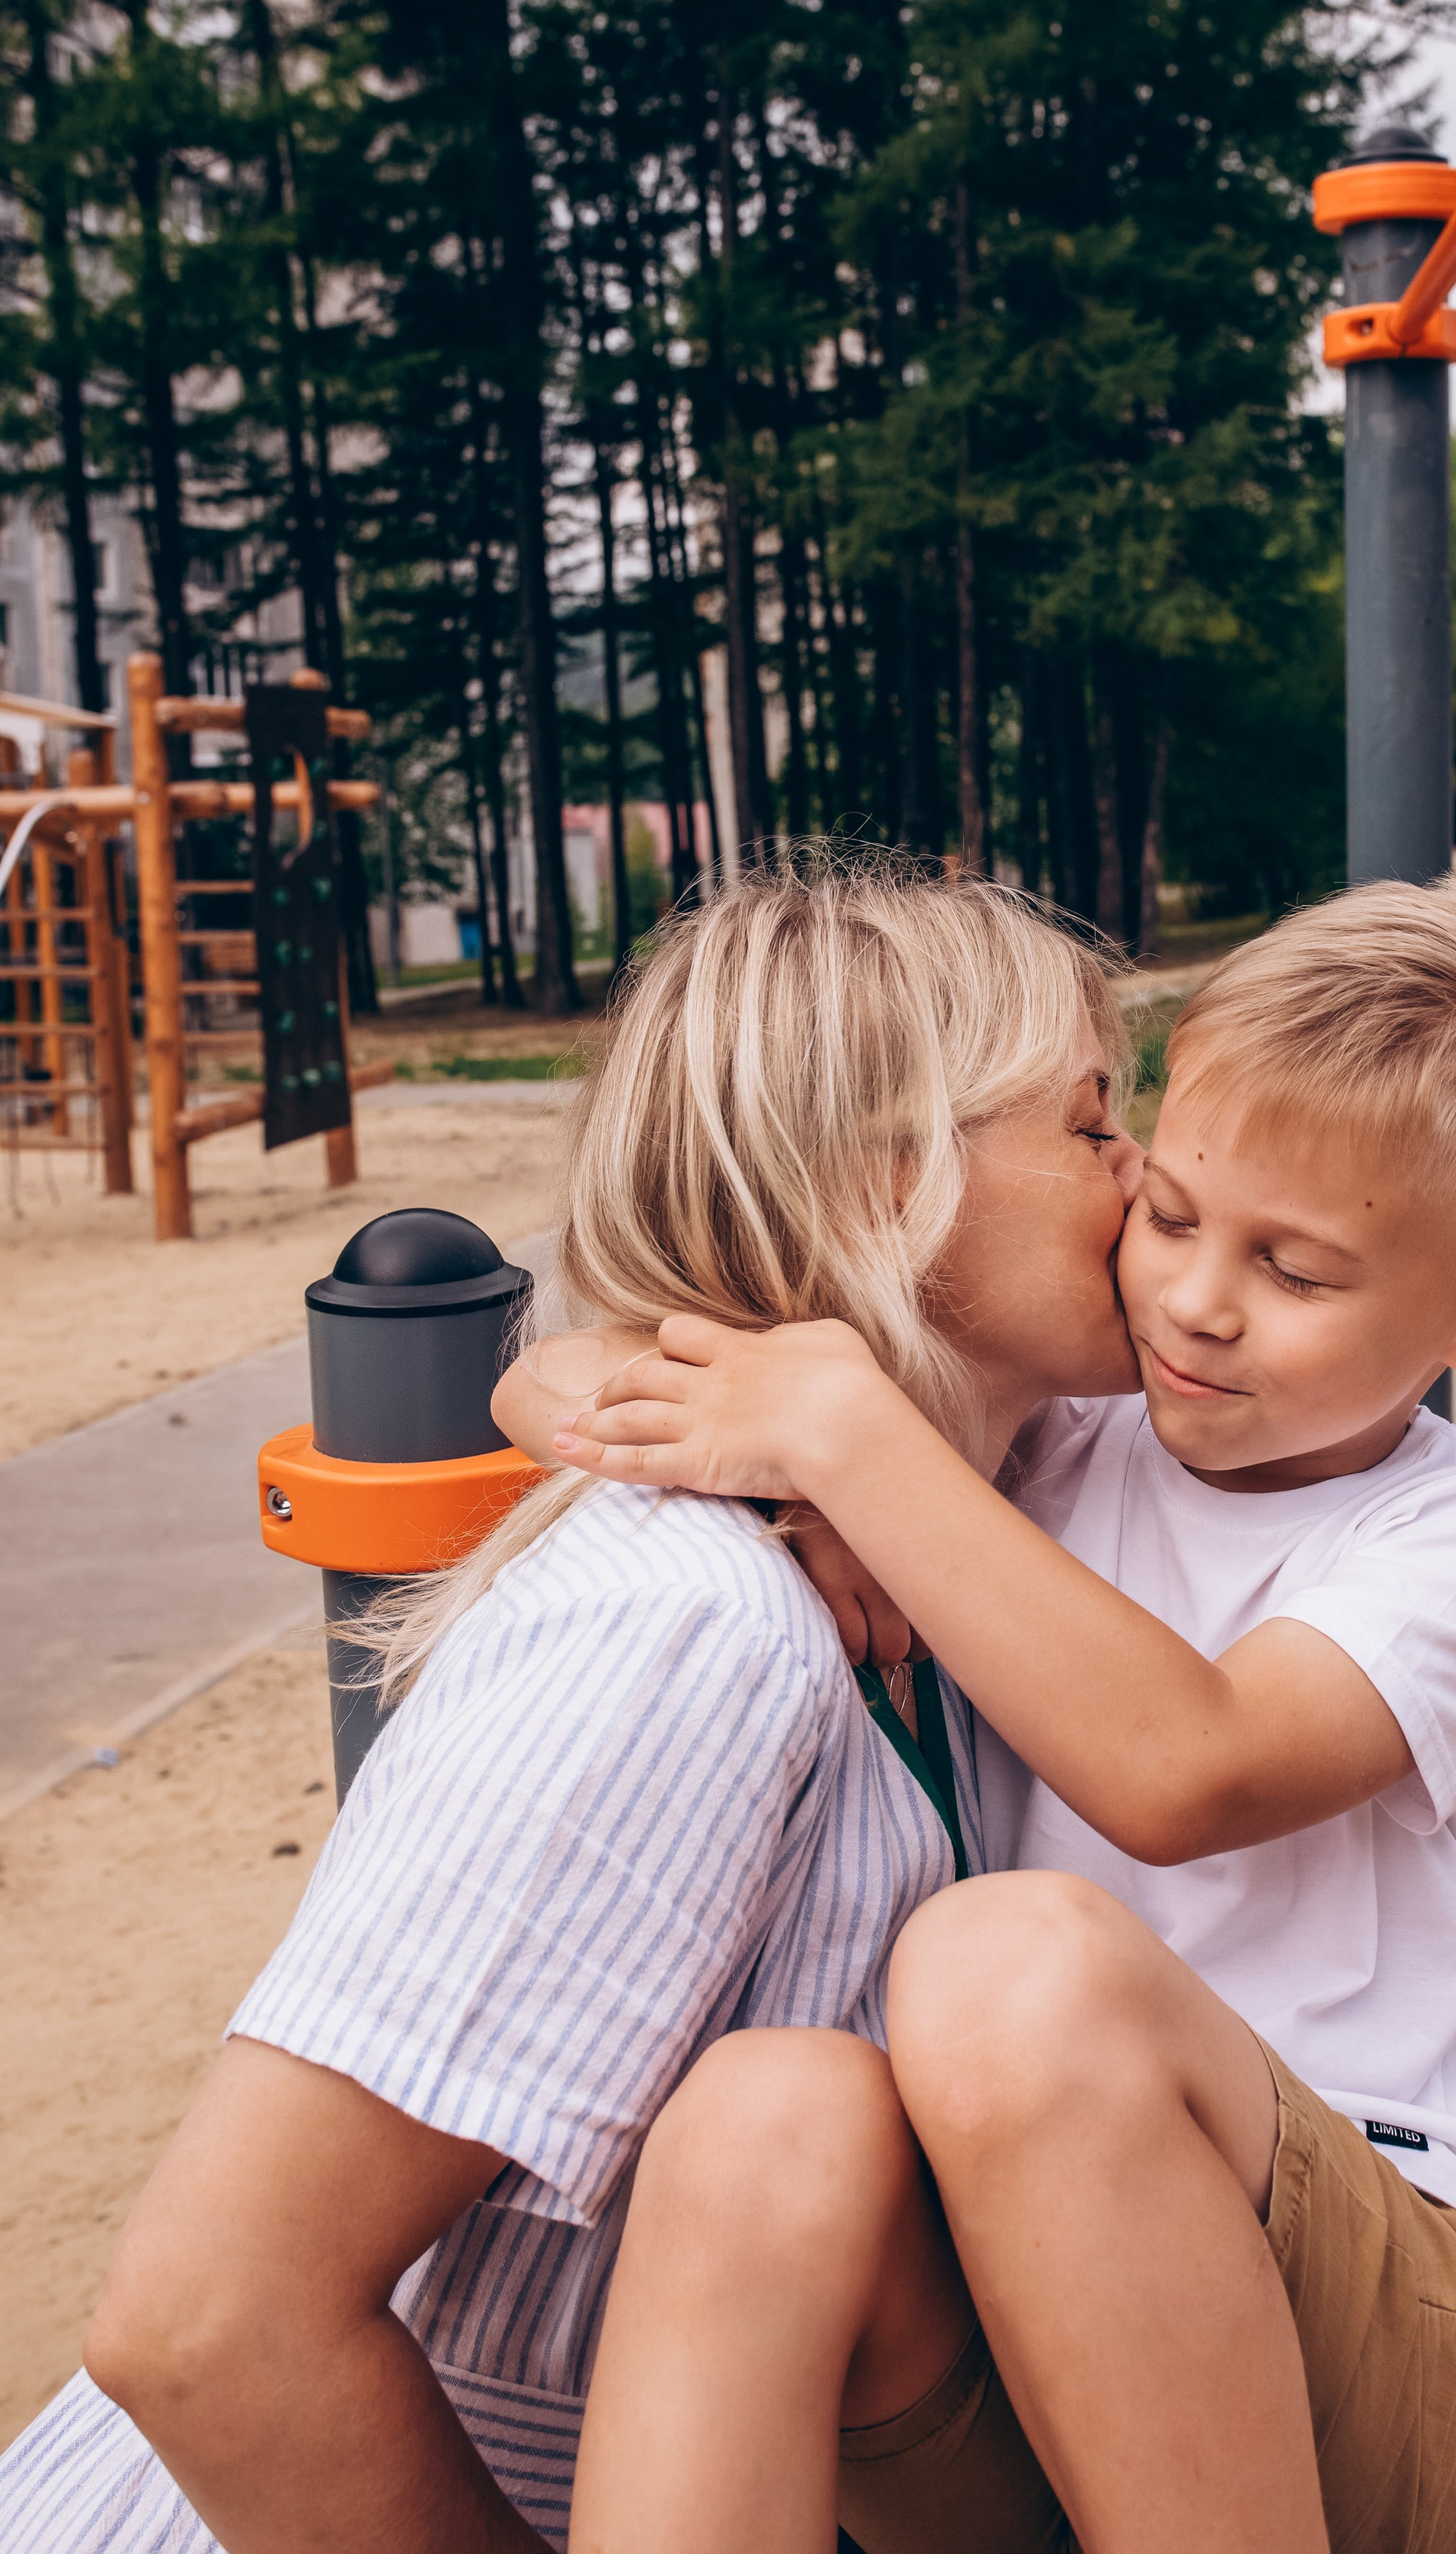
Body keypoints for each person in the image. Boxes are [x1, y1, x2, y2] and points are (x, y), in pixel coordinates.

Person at [0, 862, 1147, 2554]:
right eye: (1092, 1121)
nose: (1148, 1173)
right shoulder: (682, 1629)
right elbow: (211, 2324)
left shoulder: (973, 1538)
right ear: (886, 1177)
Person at [532, 877, 1456, 2554]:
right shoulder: (1054, 1436)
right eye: (1170, 1212)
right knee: (762, 2115)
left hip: (1377, 2295)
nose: (1193, 1300)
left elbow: (1186, 1765)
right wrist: (689, 1410)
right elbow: (585, 1362)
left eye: (1295, 1271)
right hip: (1015, 2301)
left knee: (996, 1961)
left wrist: (852, 1450)